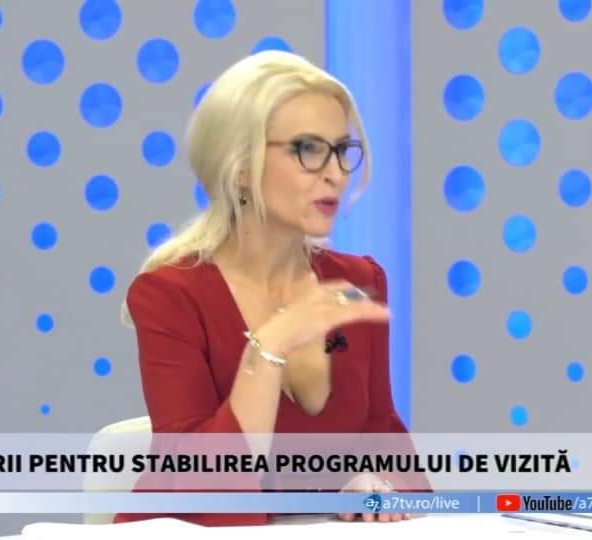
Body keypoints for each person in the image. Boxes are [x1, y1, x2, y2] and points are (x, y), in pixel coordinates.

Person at [113, 51, 420, 526]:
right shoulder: (170, 294)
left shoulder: (359, 281)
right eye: (308, 149)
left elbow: (387, 443)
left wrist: (377, 485)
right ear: (240, 165)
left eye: (342, 150)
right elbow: (201, 489)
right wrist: (270, 346)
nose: (336, 173)